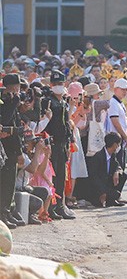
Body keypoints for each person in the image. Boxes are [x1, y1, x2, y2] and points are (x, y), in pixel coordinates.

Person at [42, 71, 76, 220]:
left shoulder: (63, 102)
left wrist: (69, 142)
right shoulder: (48, 101)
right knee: (53, 176)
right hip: (52, 143)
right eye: (55, 84)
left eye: (61, 84)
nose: (58, 86)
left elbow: (66, 124)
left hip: (62, 144)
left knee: (62, 176)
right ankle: (52, 207)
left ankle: (60, 206)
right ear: (51, 85)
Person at [1, 74, 27, 228]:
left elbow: (16, 126)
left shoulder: (13, 100)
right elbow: (4, 120)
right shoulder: (5, 101)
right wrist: (13, 103)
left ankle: (8, 211)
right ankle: (3, 213)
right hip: (6, 147)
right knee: (5, 183)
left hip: (12, 147)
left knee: (10, 183)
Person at [84, 132, 127, 207]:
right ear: (114, 145)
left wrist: (116, 172)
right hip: (98, 186)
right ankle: (103, 198)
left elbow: (118, 166)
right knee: (112, 195)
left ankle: (111, 200)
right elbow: (93, 177)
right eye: (118, 144)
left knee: (123, 176)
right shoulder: (98, 157)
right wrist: (103, 191)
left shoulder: (113, 155)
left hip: (107, 183)